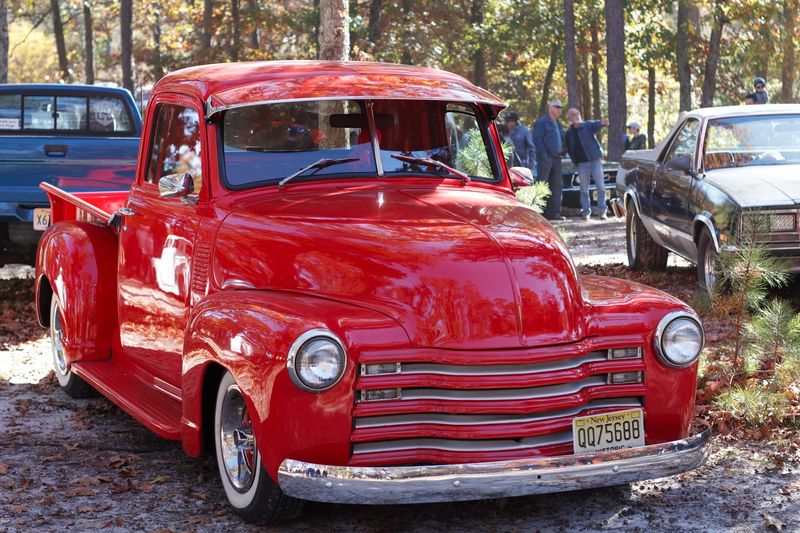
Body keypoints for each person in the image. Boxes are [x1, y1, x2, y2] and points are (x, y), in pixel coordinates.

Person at [565, 108, 609, 221]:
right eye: (572, 115)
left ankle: (602, 212)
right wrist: (573, 159)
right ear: (569, 118)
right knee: (583, 189)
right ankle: (586, 213)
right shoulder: (569, 133)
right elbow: (569, 148)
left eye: (577, 114)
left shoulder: (587, 125)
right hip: (581, 164)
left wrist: (602, 123)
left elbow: (596, 125)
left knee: (601, 187)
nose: (575, 116)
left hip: (595, 160)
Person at [533, 99, 566, 220]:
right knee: (542, 185)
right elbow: (537, 139)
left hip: (557, 159)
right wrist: (544, 155)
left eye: (561, 107)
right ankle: (537, 213)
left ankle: (554, 214)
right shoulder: (542, 122)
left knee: (557, 186)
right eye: (557, 107)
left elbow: (562, 139)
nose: (560, 109)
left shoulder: (558, 123)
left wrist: (563, 151)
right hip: (545, 159)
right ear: (550, 107)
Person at [503, 112, 537, 177]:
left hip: (522, 165)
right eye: (506, 121)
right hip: (507, 166)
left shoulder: (524, 131)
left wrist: (531, 164)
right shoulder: (504, 131)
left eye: (508, 121)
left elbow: (531, 148)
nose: (506, 123)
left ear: (514, 121)